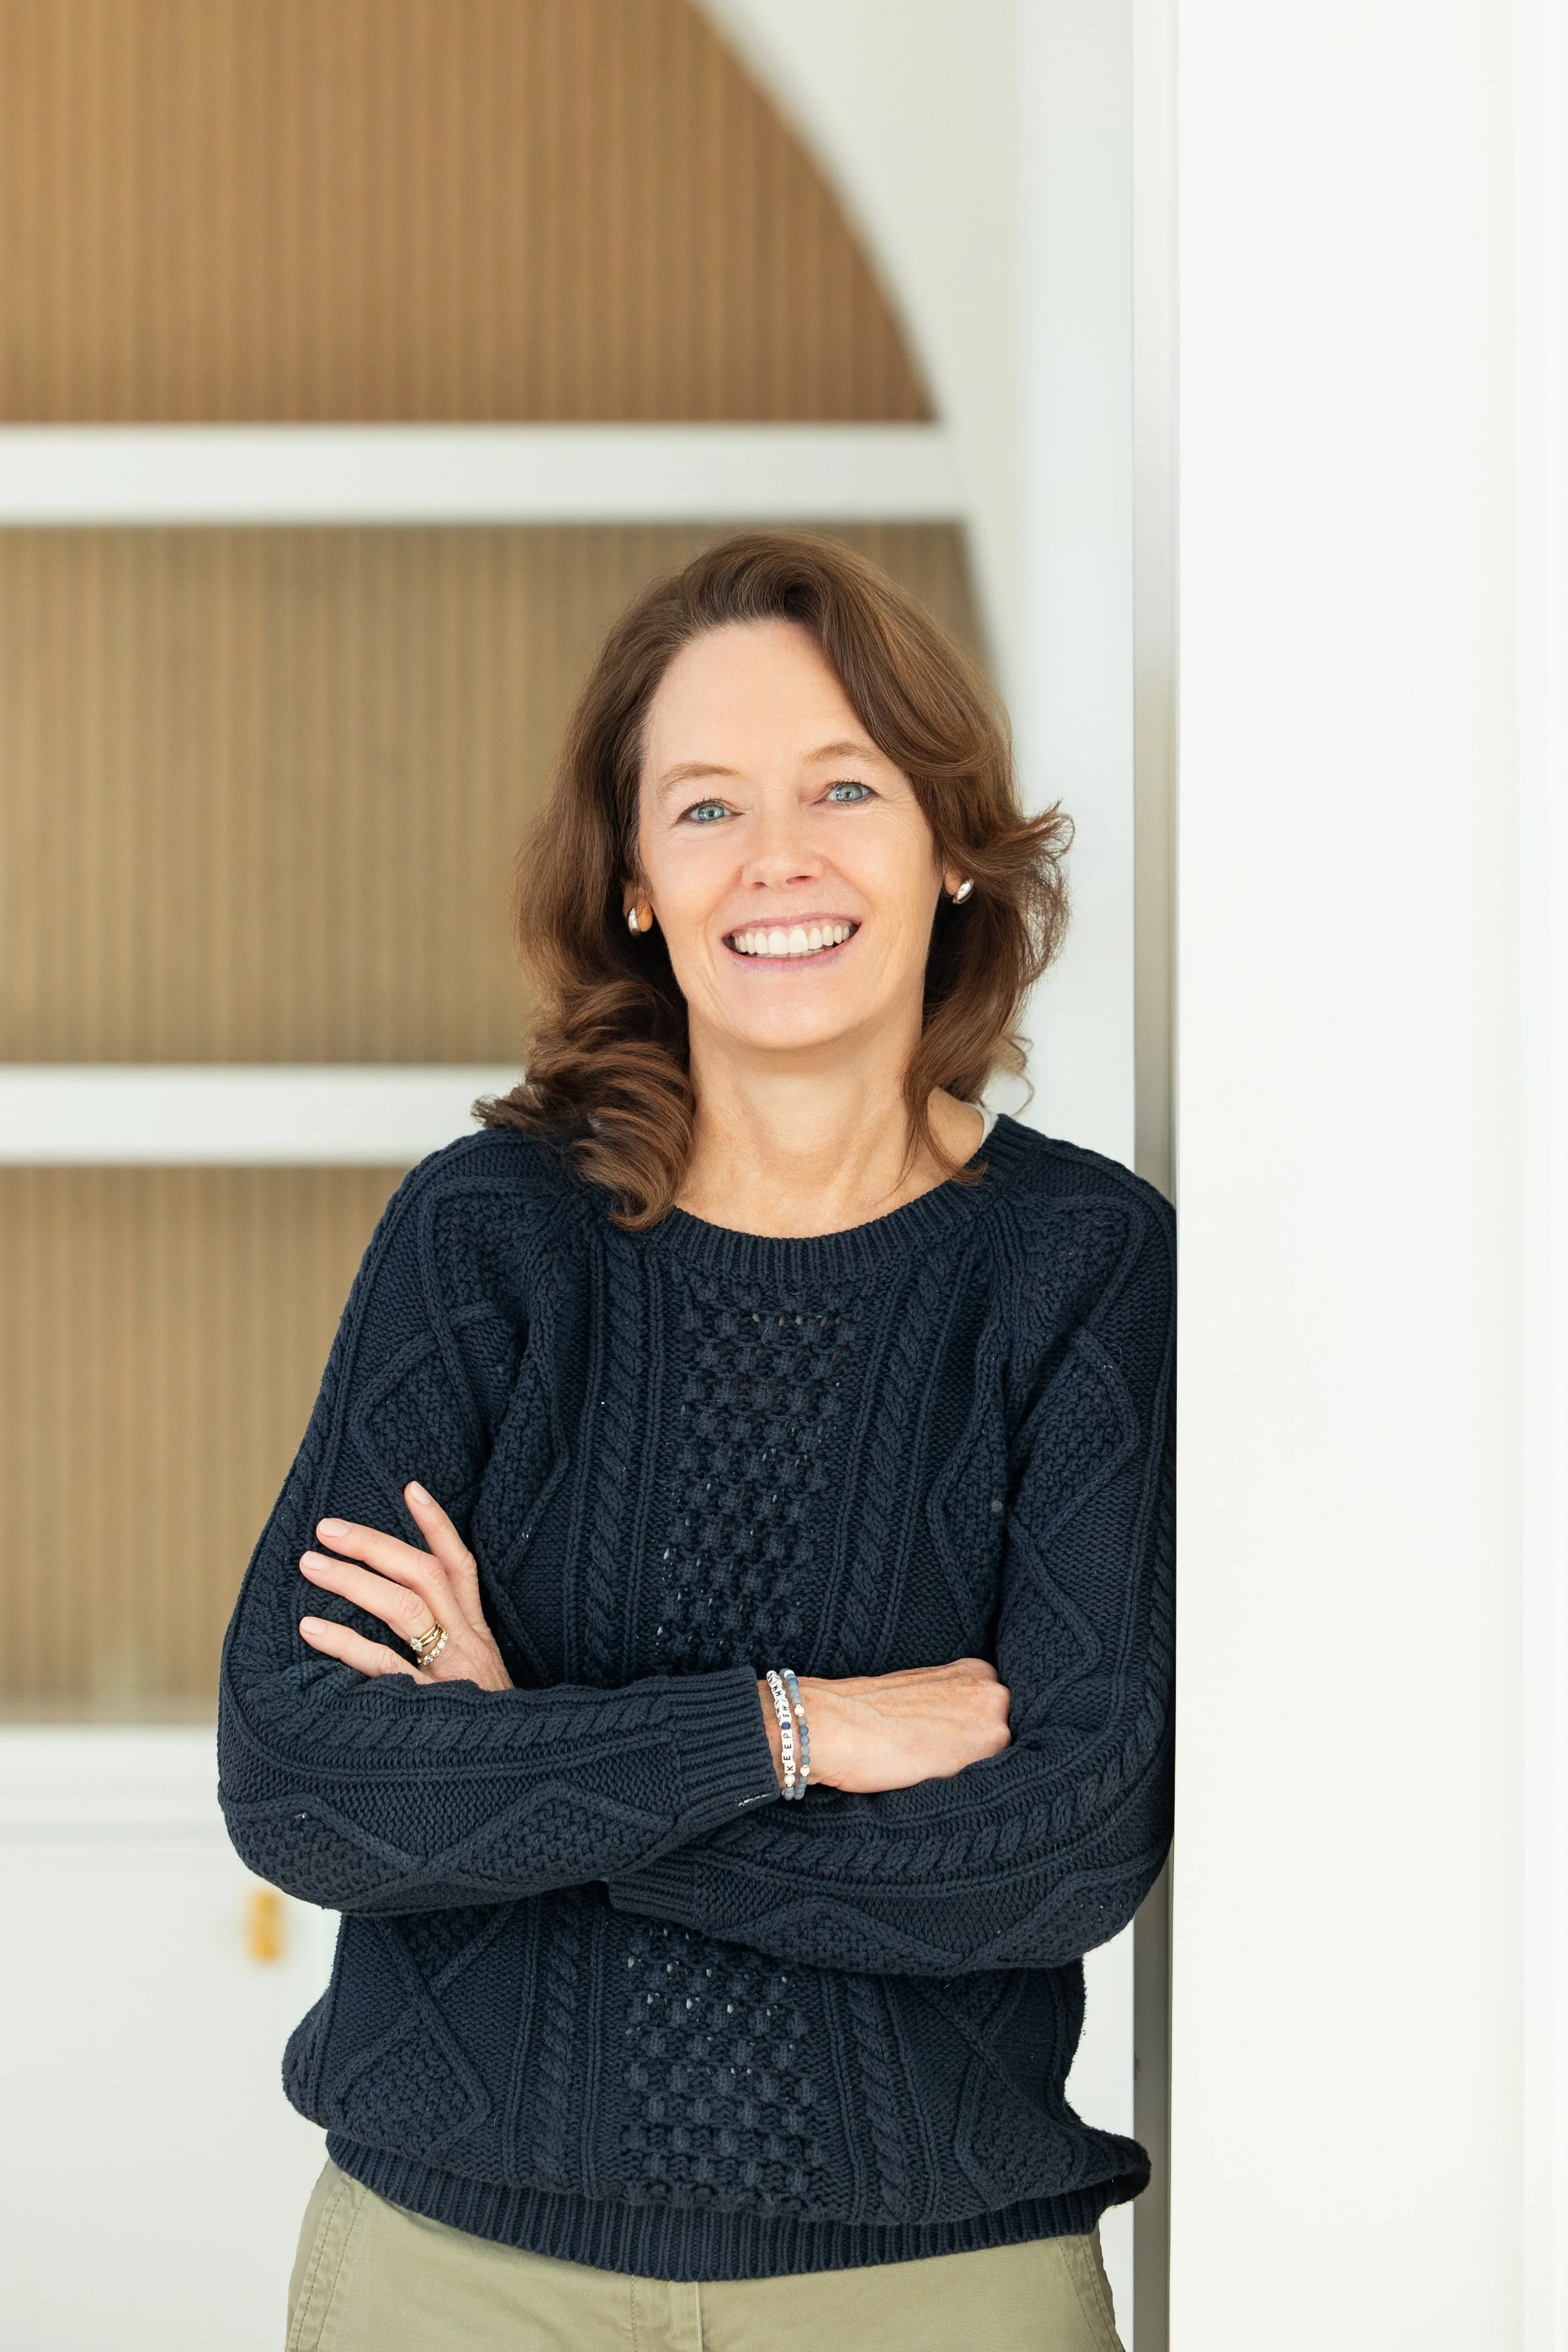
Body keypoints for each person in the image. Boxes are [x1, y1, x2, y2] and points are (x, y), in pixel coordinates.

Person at [218, 532, 1175, 2352]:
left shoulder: (1079, 1265)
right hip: (458, 2270)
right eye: (706, 806)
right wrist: (795, 1726)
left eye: (841, 786)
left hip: (929, 2286)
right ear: (637, 881)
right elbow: (306, 1776)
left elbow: (1054, 1848)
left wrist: (527, 1765)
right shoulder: (485, 1236)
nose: (778, 859)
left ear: (949, 841)